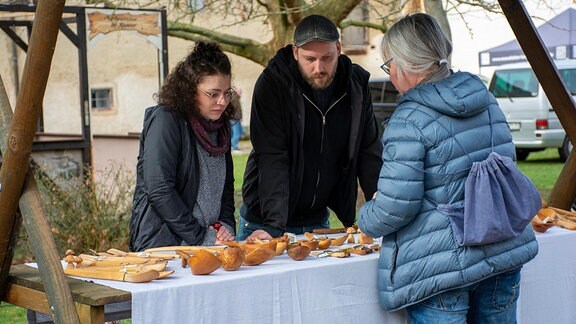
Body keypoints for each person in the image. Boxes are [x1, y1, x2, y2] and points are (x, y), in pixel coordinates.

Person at [357, 13, 538, 323]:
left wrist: (365, 218)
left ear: (405, 64)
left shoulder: (409, 119)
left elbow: (395, 207)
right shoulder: (487, 100)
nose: (390, 76)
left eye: (388, 66)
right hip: (503, 250)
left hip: (441, 269)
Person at [239, 15, 383, 241]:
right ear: (295, 52)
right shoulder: (272, 85)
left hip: (317, 219)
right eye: (310, 59)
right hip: (264, 221)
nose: (319, 68)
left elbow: (368, 150)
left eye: (327, 58)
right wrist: (274, 226)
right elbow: (272, 156)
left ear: (338, 48)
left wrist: (380, 209)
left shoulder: (355, 86)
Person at [129, 41, 237, 251]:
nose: (222, 102)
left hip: (207, 245)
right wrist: (200, 236)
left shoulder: (220, 126)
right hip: (164, 247)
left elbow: (226, 187)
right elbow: (159, 189)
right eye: (213, 94)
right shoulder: (166, 120)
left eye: (227, 93)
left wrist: (225, 226)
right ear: (190, 89)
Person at [230, 87, 243, 151]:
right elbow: (234, 109)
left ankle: (233, 146)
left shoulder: (236, 97)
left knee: (237, 132)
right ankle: (234, 146)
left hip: (236, 118)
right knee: (237, 133)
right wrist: (236, 117)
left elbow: (238, 110)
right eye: (240, 91)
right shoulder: (234, 97)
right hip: (234, 118)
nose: (241, 92)